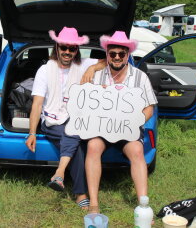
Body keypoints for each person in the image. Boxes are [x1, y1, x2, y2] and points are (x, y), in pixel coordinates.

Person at [25, 26, 105, 209]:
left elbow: (108, 61)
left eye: (72, 48)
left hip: (75, 117)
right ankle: (80, 193)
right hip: (52, 121)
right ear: (57, 47)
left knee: (75, 137)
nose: (68, 52)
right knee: (74, 137)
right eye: (64, 47)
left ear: (77, 50)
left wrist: (93, 68)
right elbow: (37, 104)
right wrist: (31, 133)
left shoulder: (83, 64)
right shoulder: (44, 71)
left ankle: (60, 174)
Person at [85, 31, 158, 213]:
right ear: (107, 55)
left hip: (129, 128)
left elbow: (150, 107)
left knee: (137, 150)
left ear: (128, 55)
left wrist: (137, 121)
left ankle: (143, 203)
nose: (117, 57)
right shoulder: (97, 75)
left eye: (121, 54)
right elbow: (83, 99)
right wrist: (92, 73)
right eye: (112, 54)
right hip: (103, 127)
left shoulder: (140, 77)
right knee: (93, 146)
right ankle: (94, 203)